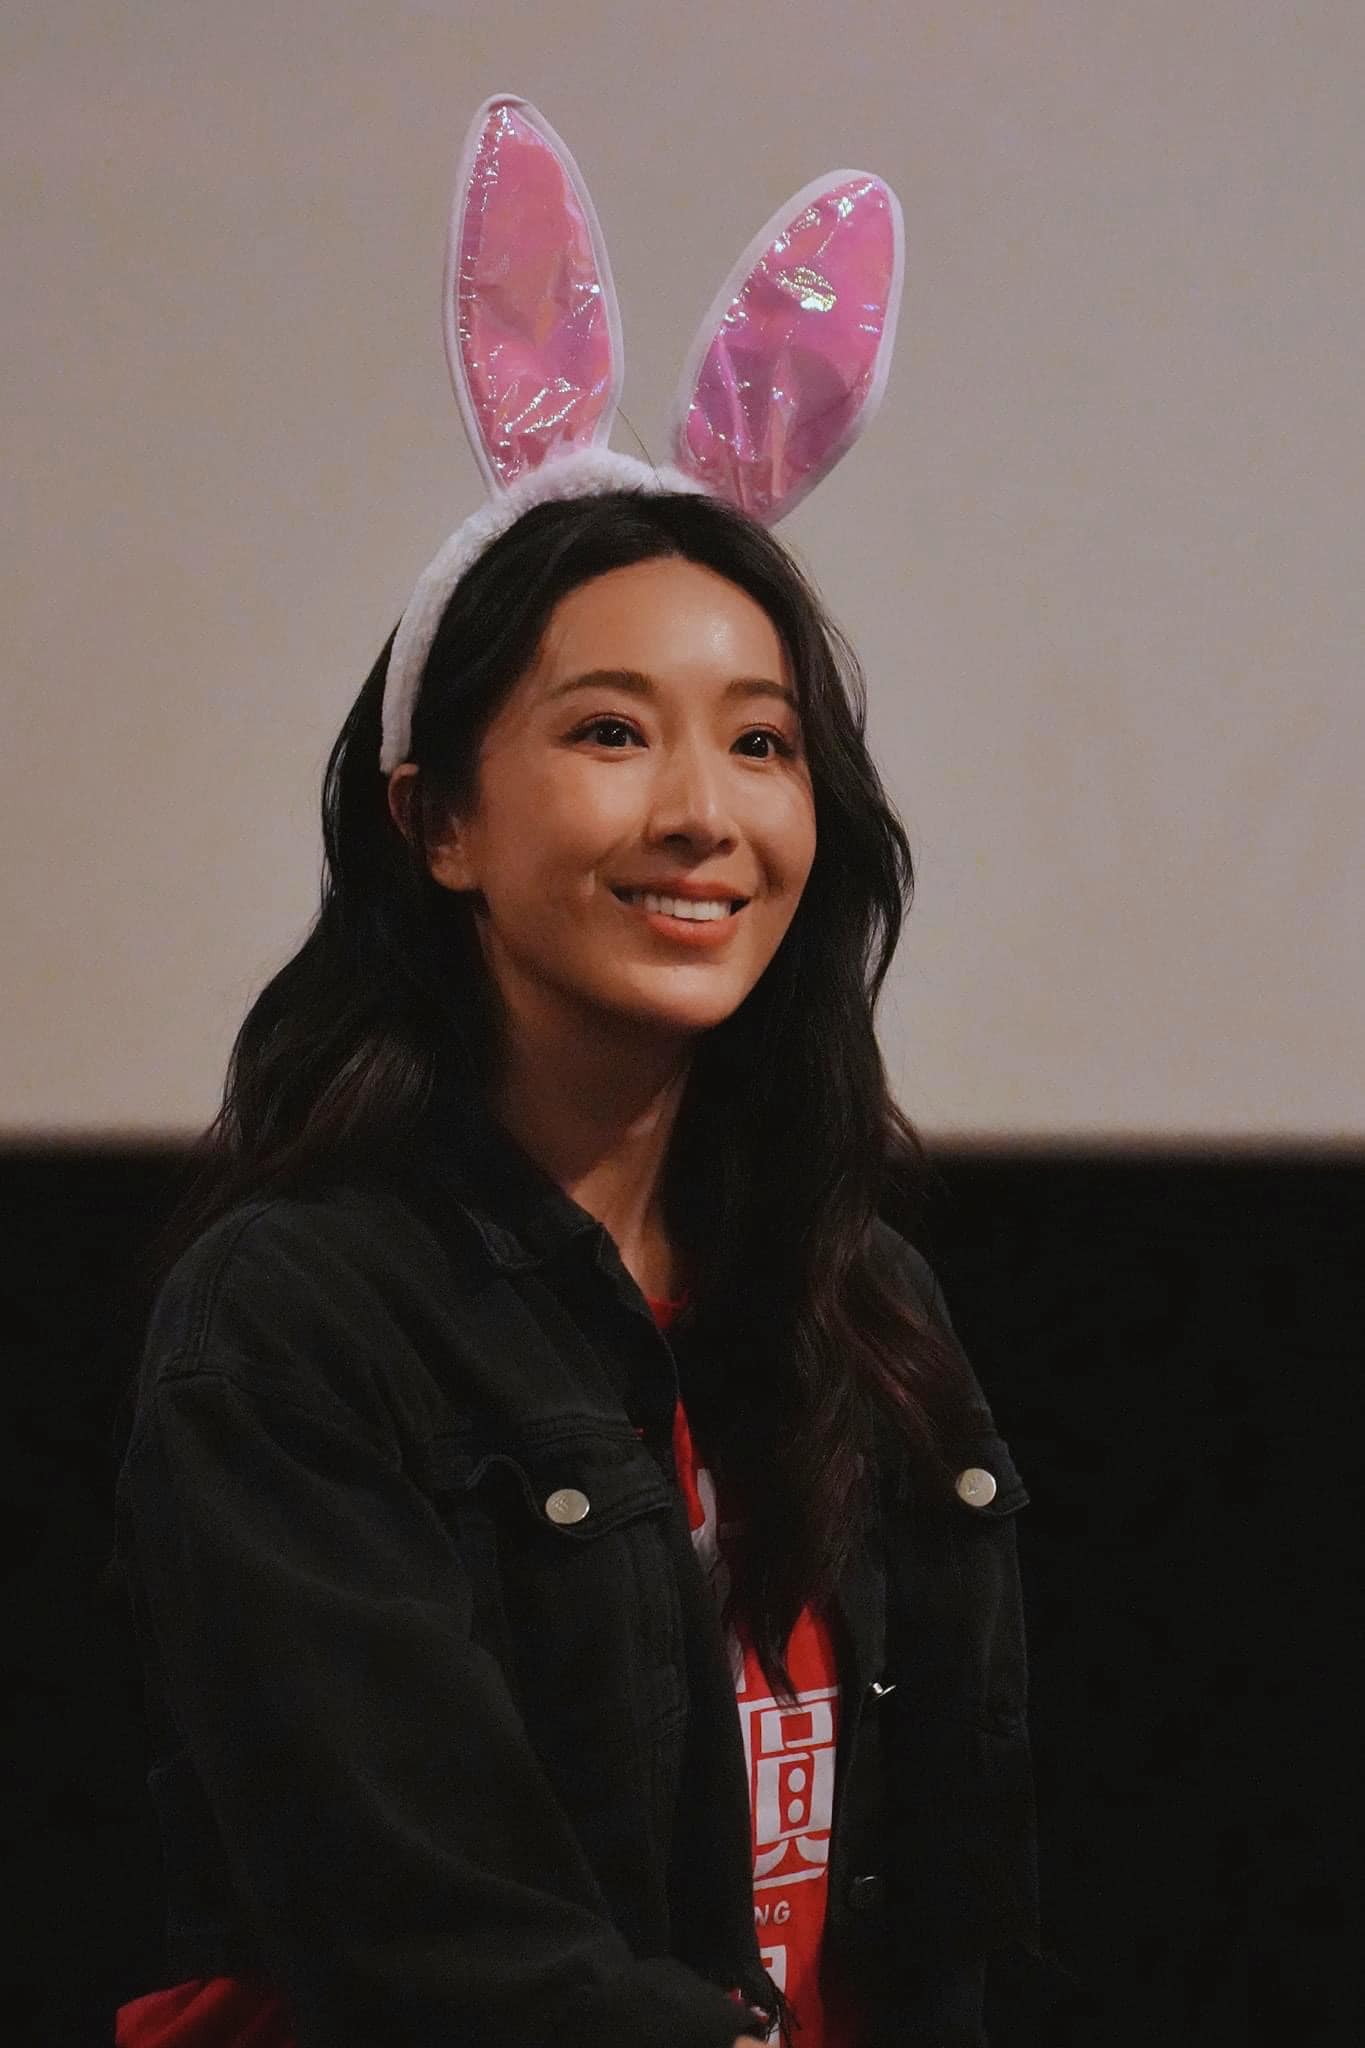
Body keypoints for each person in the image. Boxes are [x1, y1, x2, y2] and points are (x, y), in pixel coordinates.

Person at [111, 97, 1044, 2048]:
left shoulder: (861, 1306)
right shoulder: (296, 1323)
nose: (704, 812)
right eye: (612, 732)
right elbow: (432, 1949)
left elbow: (946, 1921)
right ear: (437, 818)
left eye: (761, 743)